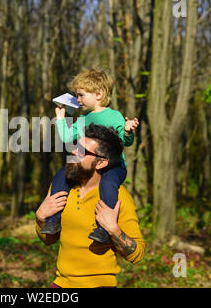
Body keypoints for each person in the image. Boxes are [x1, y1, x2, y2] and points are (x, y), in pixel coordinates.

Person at [35, 124, 145, 288]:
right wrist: (41, 218)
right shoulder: (62, 189)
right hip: (61, 284)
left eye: (82, 151)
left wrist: (114, 230)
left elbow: (138, 255)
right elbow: (49, 240)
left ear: (100, 163)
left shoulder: (119, 198)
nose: (73, 152)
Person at [41, 68, 140, 244]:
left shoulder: (114, 116)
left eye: (81, 95)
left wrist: (127, 131)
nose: (77, 100)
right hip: (88, 164)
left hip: (113, 166)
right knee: (62, 173)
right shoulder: (82, 118)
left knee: (108, 183)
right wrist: (60, 118)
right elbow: (67, 137)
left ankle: (104, 227)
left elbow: (126, 142)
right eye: (76, 95)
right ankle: (53, 219)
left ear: (98, 94)